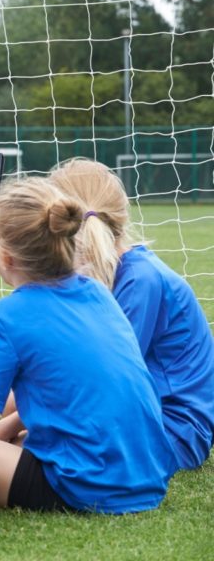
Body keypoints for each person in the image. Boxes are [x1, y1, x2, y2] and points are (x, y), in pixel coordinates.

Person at [0, 177, 175, 514]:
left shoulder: (4, 317)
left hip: (81, 486)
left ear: (6, 257)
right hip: (147, 475)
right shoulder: (98, 291)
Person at [49, 158, 214, 470]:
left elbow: (100, 380)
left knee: (17, 450)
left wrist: (11, 424)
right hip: (129, 418)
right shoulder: (98, 277)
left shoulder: (141, 280)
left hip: (172, 432)